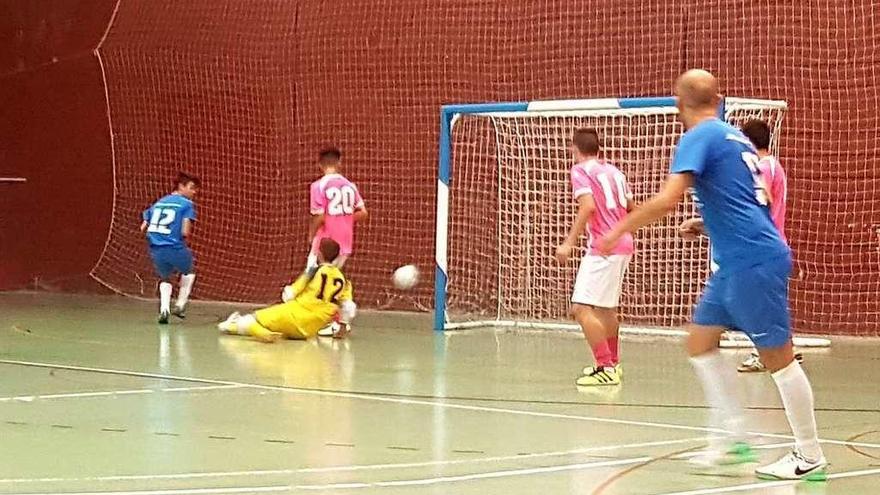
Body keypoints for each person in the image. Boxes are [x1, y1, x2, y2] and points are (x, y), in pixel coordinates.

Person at [599, 69, 826, 480]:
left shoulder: (697, 137)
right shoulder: (736, 137)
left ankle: (809, 454)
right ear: (717, 98)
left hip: (751, 259)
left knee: (779, 359)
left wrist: (617, 228)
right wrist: (709, 225)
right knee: (700, 340)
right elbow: (759, 199)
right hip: (739, 256)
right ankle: (732, 438)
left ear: (677, 103)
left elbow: (669, 199)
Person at [681, 119, 800, 372]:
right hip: (766, 245)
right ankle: (776, 349)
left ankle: (772, 352)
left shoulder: (760, 166)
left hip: (753, 250)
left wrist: (708, 220)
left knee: (747, 310)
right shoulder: (774, 165)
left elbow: (755, 201)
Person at [555, 128, 633, 386]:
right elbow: (630, 208)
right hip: (624, 243)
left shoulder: (580, 171)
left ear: (574, 149)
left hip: (603, 247)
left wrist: (568, 243)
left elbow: (587, 206)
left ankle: (605, 366)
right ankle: (614, 364)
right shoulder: (615, 172)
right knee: (606, 308)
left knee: (580, 308)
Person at [218, 238, 356, 342]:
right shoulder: (343, 278)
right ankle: (274, 331)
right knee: (281, 328)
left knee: (251, 319)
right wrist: (342, 328)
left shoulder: (314, 271)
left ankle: (253, 332)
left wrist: (286, 294)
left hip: (295, 314)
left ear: (320, 253)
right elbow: (348, 306)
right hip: (312, 327)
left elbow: (290, 294)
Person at [141, 172, 200, 324]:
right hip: (174, 246)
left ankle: (164, 310)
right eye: (192, 188)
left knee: (165, 278)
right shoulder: (186, 204)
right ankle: (180, 305)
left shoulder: (159, 203)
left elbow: (143, 227)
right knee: (189, 271)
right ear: (181, 186)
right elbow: (185, 231)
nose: (194, 192)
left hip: (156, 249)